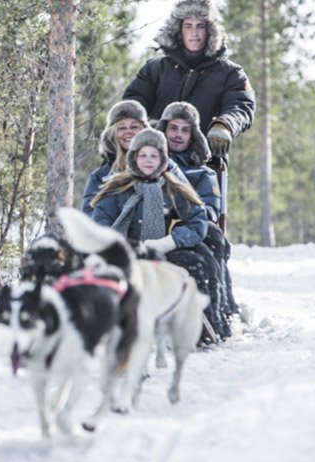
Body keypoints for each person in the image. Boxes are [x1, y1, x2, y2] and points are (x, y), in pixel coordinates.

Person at [123, 0, 256, 230]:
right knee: (142, 222)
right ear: (178, 30)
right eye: (188, 26)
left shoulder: (231, 74)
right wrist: (141, 131)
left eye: (200, 26)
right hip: (154, 160)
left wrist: (225, 125)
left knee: (203, 225)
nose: (194, 33)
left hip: (202, 163)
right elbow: (132, 105)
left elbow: (241, 106)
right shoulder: (155, 69)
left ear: (210, 30)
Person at [90, 128, 223, 344]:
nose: (148, 160)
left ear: (163, 158)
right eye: (143, 155)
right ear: (133, 158)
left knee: (196, 263)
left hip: (161, 251)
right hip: (125, 253)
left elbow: (197, 222)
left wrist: (169, 242)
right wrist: (118, 247)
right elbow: (100, 224)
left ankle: (202, 330)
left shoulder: (175, 186)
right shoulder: (117, 187)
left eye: (154, 155)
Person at [156, 101, 237, 337]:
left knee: (213, 237)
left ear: (193, 135)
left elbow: (209, 211)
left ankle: (220, 311)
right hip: (153, 230)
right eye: (173, 128)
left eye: (185, 130)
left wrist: (181, 217)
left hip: (191, 230)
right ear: (163, 130)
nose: (178, 135)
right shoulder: (148, 161)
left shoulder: (203, 173)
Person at [80, 100, 149, 215]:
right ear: (113, 133)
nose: (128, 132)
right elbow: (88, 216)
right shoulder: (100, 176)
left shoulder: (161, 168)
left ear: (144, 131)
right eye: (122, 128)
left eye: (134, 127)